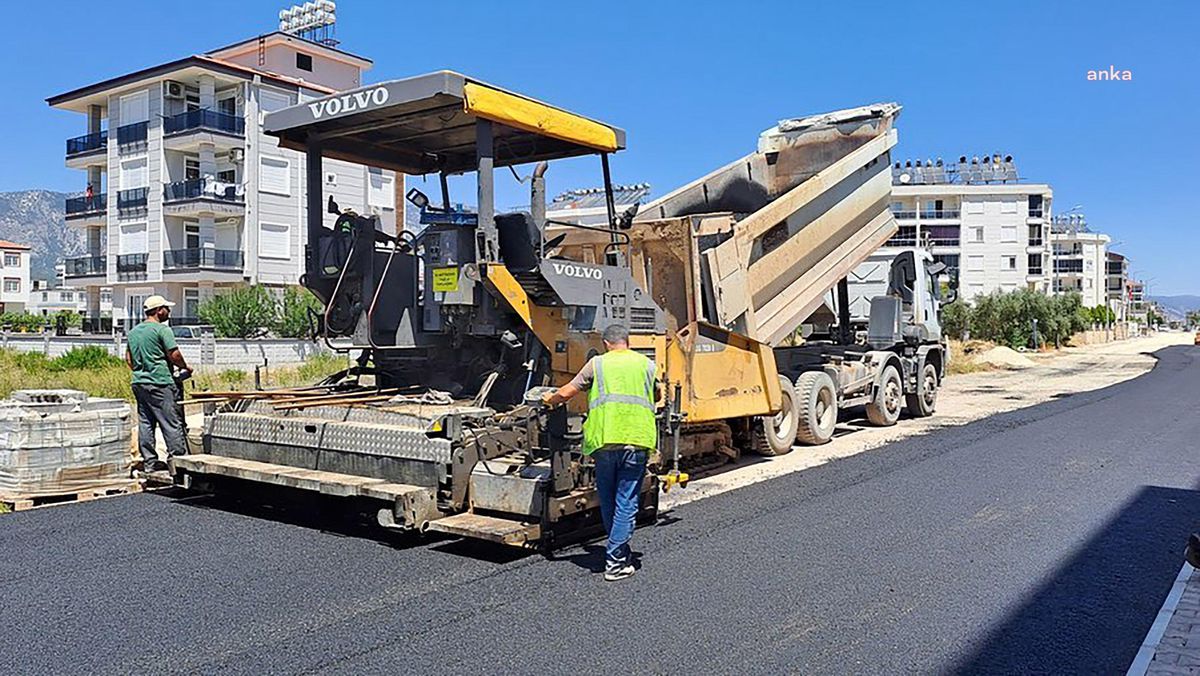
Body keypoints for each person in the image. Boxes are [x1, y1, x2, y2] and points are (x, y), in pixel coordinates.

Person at [542, 324, 657, 581]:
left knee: (608, 500)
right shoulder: (647, 365)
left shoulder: (598, 364)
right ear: (627, 341)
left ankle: (616, 557)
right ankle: (617, 559)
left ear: (606, 343)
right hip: (637, 441)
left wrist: (548, 401)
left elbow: (567, 391)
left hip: (605, 442)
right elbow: (657, 394)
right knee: (626, 501)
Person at [125, 295, 190, 473]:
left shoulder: (133, 332)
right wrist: (185, 367)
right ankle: (178, 462)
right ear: (158, 310)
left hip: (139, 382)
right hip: (160, 383)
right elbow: (174, 355)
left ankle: (150, 463)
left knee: (146, 423)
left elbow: (129, 359)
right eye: (166, 308)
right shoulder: (162, 330)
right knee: (171, 422)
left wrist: (142, 370)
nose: (169, 311)